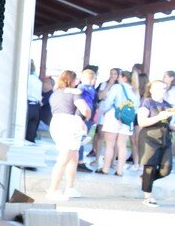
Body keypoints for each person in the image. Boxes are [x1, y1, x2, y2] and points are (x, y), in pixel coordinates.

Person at [46, 70, 91, 200]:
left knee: (73, 156)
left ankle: (70, 188)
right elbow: (85, 109)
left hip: (56, 122)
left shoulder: (55, 94)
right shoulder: (74, 93)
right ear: (71, 80)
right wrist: (87, 116)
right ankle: (53, 190)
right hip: (70, 124)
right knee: (64, 158)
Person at [136, 80, 175, 207]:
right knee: (149, 167)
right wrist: (159, 117)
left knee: (166, 169)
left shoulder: (167, 105)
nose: (162, 90)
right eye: (159, 88)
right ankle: (148, 197)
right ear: (151, 90)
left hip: (165, 139)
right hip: (150, 138)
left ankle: (145, 180)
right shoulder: (147, 102)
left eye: (164, 88)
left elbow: (168, 124)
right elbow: (141, 122)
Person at [99, 70, 138, 176]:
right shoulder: (134, 90)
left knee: (109, 145)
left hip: (114, 115)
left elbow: (108, 102)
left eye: (119, 76)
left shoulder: (117, 87)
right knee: (122, 145)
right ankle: (120, 170)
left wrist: (104, 111)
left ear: (124, 78)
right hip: (127, 119)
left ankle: (105, 168)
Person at [89, 67, 120, 166]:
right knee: (100, 135)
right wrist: (108, 85)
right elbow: (100, 96)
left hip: (115, 113)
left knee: (115, 138)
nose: (112, 76)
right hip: (103, 111)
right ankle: (97, 159)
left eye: (115, 74)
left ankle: (112, 161)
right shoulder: (103, 84)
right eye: (111, 73)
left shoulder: (120, 86)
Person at [76, 67, 97, 169]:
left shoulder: (85, 87)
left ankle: (79, 159)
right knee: (81, 137)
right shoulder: (88, 88)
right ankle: (79, 159)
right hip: (86, 112)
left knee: (80, 137)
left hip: (85, 112)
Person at [25, 60, 42, 142]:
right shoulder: (38, 80)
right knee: (30, 137)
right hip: (36, 107)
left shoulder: (26, 79)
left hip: (27, 105)